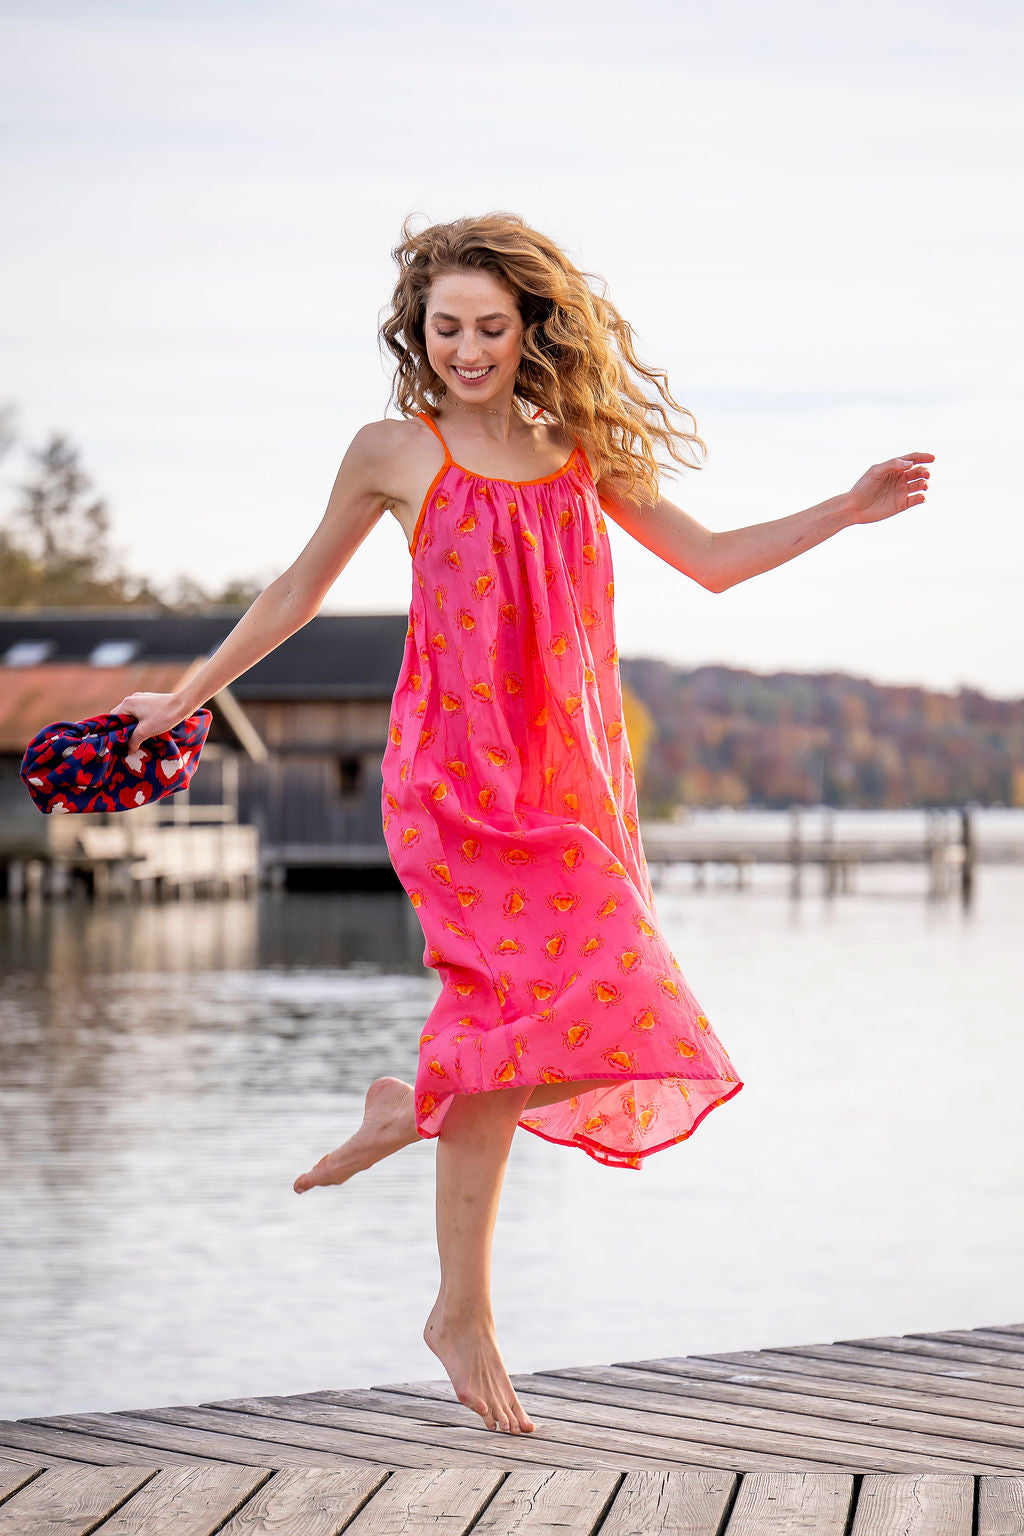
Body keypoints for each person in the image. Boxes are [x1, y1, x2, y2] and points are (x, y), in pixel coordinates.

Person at [112, 210, 934, 1437]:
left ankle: (412, 1112)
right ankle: (462, 1311)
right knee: (527, 1025)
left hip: (566, 783)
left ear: (530, 329)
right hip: (454, 780)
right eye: (445, 326)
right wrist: (181, 698)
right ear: (418, 330)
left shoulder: (578, 449)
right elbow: (295, 592)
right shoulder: (395, 451)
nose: (466, 349)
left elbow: (710, 560)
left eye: (489, 328)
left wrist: (844, 509)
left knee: (616, 1013)